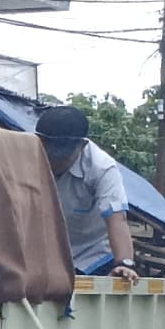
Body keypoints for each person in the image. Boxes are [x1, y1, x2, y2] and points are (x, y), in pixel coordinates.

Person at [32, 102, 137, 277]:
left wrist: (125, 263)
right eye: (48, 154)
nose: (54, 163)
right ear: (39, 142)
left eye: (62, 157)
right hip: (45, 253)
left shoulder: (102, 167)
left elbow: (117, 218)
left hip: (92, 255)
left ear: (82, 146)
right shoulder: (24, 156)